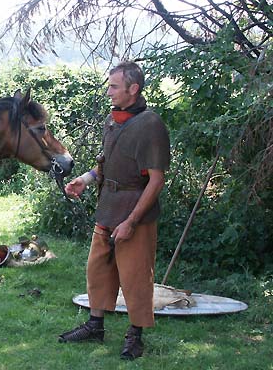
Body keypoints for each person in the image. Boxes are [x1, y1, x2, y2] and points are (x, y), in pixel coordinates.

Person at [57, 61, 170, 360]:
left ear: (133, 89)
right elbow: (105, 164)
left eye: (114, 87)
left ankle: (136, 335)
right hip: (107, 205)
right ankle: (95, 325)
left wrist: (132, 221)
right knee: (97, 269)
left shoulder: (151, 125)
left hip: (136, 211)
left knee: (135, 276)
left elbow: (156, 181)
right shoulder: (113, 120)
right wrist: (86, 179)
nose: (108, 92)